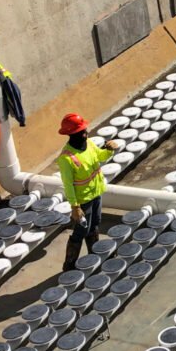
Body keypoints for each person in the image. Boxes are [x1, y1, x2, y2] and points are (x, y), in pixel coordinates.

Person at [57, 113, 118, 271]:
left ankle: (94, 254)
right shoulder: (66, 158)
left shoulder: (89, 144)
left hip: (96, 193)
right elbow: (68, 185)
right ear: (72, 134)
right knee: (81, 230)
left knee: (94, 224)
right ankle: (69, 266)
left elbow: (100, 156)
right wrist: (75, 207)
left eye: (85, 130)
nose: (86, 133)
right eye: (82, 131)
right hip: (83, 200)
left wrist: (109, 150)